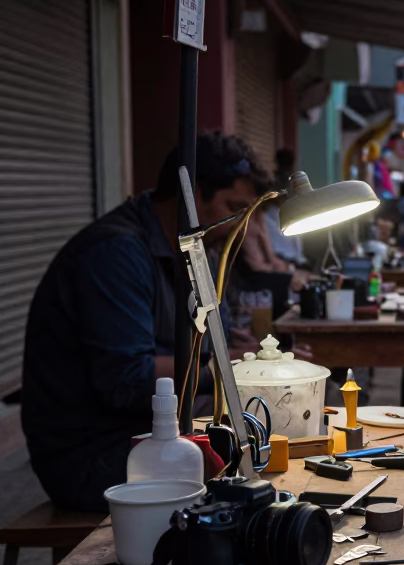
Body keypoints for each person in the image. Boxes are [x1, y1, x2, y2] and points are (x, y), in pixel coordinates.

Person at [22, 134, 268, 512]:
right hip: (91, 455)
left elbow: (177, 344)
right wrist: (228, 361)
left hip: (148, 431)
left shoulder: (183, 249)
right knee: (243, 467)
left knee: (265, 427)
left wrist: (224, 345)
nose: (238, 228)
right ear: (193, 195)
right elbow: (127, 378)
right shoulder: (115, 255)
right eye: (232, 208)